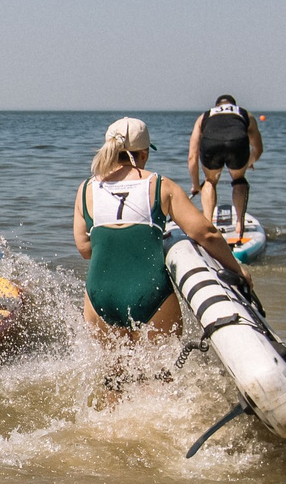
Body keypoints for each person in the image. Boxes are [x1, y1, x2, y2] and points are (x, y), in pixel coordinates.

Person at [76, 116, 251, 333]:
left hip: (99, 293)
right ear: (144, 154)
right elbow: (207, 233)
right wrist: (238, 269)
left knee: (111, 367)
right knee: (163, 366)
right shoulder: (160, 186)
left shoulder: (86, 189)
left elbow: (85, 250)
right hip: (149, 292)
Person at [186, 95, 265, 238]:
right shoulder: (245, 114)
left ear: (216, 107)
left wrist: (196, 185)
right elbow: (258, 148)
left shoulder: (204, 117)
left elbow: (192, 156)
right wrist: (249, 163)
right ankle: (239, 226)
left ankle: (208, 226)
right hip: (237, 143)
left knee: (210, 181)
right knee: (238, 180)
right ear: (234, 106)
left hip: (211, 143)